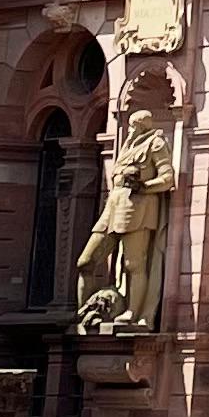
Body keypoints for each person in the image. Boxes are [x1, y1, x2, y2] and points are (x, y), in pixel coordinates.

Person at [75, 102, 177, 332]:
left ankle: (134, 313)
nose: (130, 130)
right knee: (85, 262)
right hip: (112, 209)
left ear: (143, 126)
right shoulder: (127, 147)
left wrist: (144, 186)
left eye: (134, 125)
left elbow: (167, 178)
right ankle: (83, 317)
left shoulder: (155, 143)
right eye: (130, 125)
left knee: (134, 264)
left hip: (138, 210)